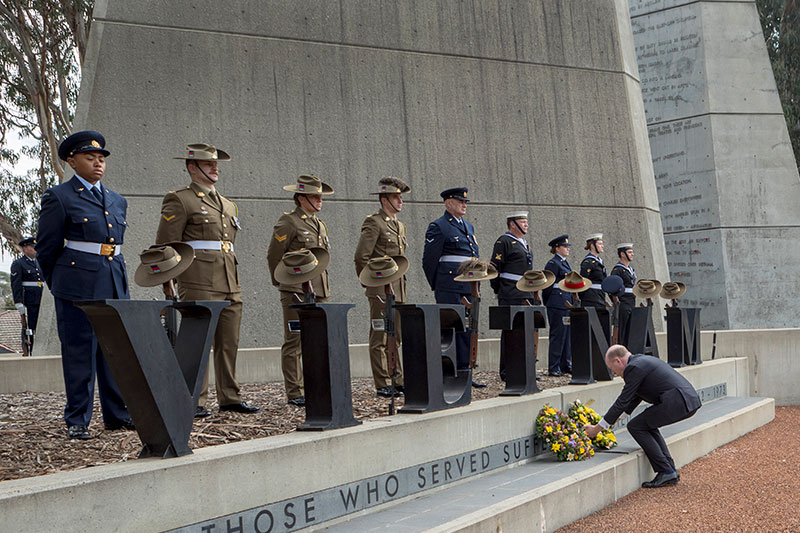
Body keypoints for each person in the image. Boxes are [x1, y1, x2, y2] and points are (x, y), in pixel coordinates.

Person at [36, 130, 133, 440]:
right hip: (76, 283)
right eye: (90, 158)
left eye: (101, 158)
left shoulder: (117, 200)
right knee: (80, 351)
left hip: (113, 279)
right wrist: (58, 283)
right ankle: (77, 418)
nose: (98, 163)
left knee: (114, 350)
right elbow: (46, 248)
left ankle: (117, 415)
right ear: (72, 161)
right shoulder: (59, 197)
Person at [156, 143, 258, 417]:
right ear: (192, 167)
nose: (215, 168)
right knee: (198, 342)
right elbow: (167, 244)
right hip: (199, 279)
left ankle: (229, 396)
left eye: (216, 164)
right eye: (208, 163)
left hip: (229, 280)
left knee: (228, 342)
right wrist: (168, 279)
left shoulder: (227, 204)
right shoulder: (180, 199)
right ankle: (194, 398)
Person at [585, 344, 701, 488]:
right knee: (646, 425)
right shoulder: (640, 362)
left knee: (636, 426)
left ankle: (666, 470)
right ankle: (669, 469)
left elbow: (622, 401)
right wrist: (617, 418)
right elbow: (635, 396)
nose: (614, 373)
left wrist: (596, 429)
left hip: (678, 401)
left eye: (611, 369)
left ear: (617, 361)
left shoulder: (634, 368)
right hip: (685, 400)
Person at [267, 174, 333, 406]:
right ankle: (295, 392)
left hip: (318, 288)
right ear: (301, 197)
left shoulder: (319, 224)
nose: (319, 200)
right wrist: (281, 282)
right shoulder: (289, 221)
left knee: (318, 339)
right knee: (295, 340)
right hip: (295, 288)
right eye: (315, 196)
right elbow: (275, 254)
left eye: (320, 196)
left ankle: (317, 386)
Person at [353, 177, 410, 398]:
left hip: (397, 288)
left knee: (396, 336)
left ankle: (397, 377)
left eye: (401, 197)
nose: (400, 201)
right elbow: (361, 257)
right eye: (396, 197)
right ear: (384, 199)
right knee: (380, 335)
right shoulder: (374, 222)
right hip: (380, 289)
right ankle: (383, 382)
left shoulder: (399, 225)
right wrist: (369, 282)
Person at [422, 187, 483, 387]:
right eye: (460, 201)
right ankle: (450, 372)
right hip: (449, 285)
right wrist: (438, 285)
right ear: (448, 203)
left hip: (468, 285)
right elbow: (429, 261)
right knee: (450, 330)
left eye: (465, 202)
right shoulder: (439, 226)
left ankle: (465, 371)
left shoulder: (468, 227)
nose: (464, 204)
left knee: (467, 329)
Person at [489, 211, 533, 381]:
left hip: (524, 292)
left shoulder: (523, 243)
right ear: (513, 224)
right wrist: (500, 289)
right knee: (510, 332)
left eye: (526, 221)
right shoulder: (504, 241)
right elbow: (495, 267)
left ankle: (521, 367)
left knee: (522, 332)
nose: (526, 224)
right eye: (523, 221)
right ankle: (507, 371)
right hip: (510, 292)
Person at [542, 234, 573, 376]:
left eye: (567, 247)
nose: (567, 249)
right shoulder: (553, 264)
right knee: (558, 334)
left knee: (566, 335)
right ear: (557, 248)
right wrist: (549, 301)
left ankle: (565, 364)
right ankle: (554, 366)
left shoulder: (565, 263)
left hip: (565, 303)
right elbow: (547, 285)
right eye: (564, 247)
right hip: (557, 302)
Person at [10, 237, 43, 353]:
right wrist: (18, 302)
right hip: (29, 300)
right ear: (25, 249)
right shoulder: (19, 263)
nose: (35, 250)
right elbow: (16, 284)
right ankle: (32, 349)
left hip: (41, 300)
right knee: (31, 328)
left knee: (41, 327)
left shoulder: (39, 263)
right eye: (32, 247)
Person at [610, 243, 636, 345]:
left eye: (632, 252)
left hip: (631, 301)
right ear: (622, 254)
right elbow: (612, 287)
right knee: (621, 330)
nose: (632, 254)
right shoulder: (618, 270)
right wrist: (616, 301)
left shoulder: (631, 269)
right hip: (623, 302)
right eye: (629, 252)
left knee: (629, 332)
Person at [579, 233, 608, 309]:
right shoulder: (588, 262)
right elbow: (582, 281)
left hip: (600, 297)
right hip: (591, 299)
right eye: (600, 244)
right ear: (592, 245)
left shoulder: (599, 261)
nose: (602, 246)